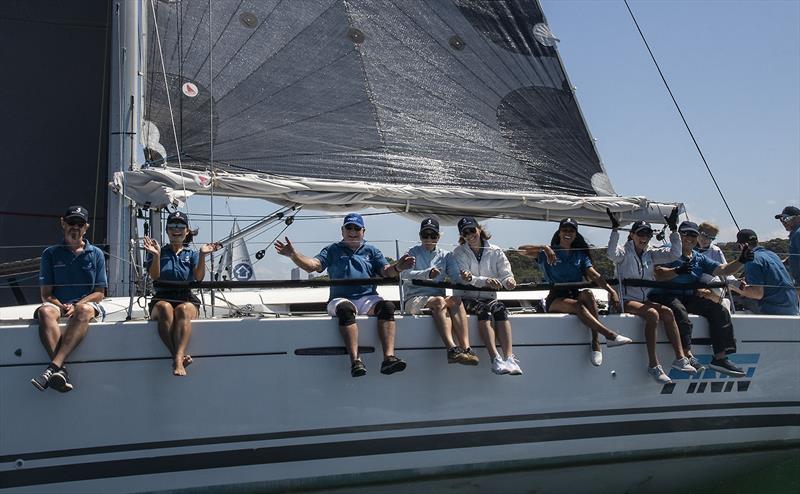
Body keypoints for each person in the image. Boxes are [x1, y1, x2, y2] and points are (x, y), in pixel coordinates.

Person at [275, 213, 415, 377]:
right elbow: (313, 266)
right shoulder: (332, 249)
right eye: (349, 227)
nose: (353, 231)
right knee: (346, 310)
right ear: (342, 230)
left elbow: (386, 271)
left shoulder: (372, 251)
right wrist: (294, 255)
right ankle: (356, 361)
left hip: (367, 298)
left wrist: (398, 267)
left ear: (363, 231)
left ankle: (388, 358)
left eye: (357, 228)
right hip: (340, 298)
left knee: (388, 307)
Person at [520, 218, 631, 367]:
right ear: (559, 233)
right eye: (564, 230)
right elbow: (521, 250)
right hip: (556, 297)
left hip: (574, 292)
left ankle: (595, 343)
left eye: (571, 230)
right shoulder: (547, 253)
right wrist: (544, 248)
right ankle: (609, 335)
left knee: (588, 294)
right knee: (579, 306)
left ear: (575, 234)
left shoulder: (579, 255)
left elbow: (595, 275)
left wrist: (612, 291)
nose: (568, 233)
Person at [606, 209, 697, 383]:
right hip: (625, 301)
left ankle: (680, 359)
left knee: (668, 313)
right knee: (653, 314)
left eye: (647, 234)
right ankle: (654, 365)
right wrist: (615, 230)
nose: (644, 237)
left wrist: (674, 231)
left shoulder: (650, 253)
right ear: (632, 235)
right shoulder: (623, 252)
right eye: (640, 233)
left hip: (642, 300)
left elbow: (674, 254)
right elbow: (611, 254)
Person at [649, 221, 751, 377]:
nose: (689, 238)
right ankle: (686, 356)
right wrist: (677, 270)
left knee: (719, 309)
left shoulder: (698, 257)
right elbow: (658, 273)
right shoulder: (667, 251)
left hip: (688, 295)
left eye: (693, 235)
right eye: (685, 234)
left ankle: (720, 358)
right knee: (679, 311)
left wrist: (740, 261)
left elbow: (721, 269)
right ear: (679, 235)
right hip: (665, 294)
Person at [31, 205, 107, 392]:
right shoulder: (50, 253)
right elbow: (46, 294)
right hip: (59, 304)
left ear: (86, 227)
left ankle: (53, 367)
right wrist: (62, 306)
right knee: (45, 311)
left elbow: (100, 292)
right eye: (71, 222)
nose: (75, 227)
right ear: (63, 224)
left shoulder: (96, 254)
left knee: (83, 310)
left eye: (80, 224)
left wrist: (77, 304)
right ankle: (60, 370)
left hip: (86, 304)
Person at [143, 211, 221, 376]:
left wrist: (202, 255)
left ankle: (176, 358)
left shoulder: (191, 254)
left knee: (183, 310)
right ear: (167, 230)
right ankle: (177, 358)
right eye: (172, 226)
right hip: (162, 296)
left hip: (186, 297)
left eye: (180, 226)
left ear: (187, 231)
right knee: (164, 308)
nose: (176, 229)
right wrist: (156, 256)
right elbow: (155, 276)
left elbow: (198, 278)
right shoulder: (159, 251)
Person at [400, 218, 478, 365]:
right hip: (413, 299)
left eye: (433, 235)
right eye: (425, 235)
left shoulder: (446, 256)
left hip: (436, 301)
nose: (429, 239)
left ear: (439, 237)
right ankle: (451, 350)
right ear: (420, 236)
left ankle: (466, 348)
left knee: (455, 299)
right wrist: (427, 273)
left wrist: (466, 277)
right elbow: (404, 274)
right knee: (439, 300)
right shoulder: (411, 252)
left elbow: (456, 278)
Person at [452, 217, 522, 375]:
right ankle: (495, 358)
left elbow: (505, 273)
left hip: (489, 297)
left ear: (479, 229)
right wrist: (486, 281)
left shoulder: (496, 250)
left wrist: (509, 281)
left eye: (472, 230)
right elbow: (466, 278)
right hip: (466, 298)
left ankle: (509, 358)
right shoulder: (458, 252)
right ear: (461, 236)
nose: (470, 235)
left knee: (500, 309)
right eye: (465, 233)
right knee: (483, 310)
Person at [729, 229, 800, 315]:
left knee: (734, 301)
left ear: (742, 245)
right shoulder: (772, 255)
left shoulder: (751, 259)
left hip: (773, 309)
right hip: (792, 308)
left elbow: (757, 294)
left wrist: (733, 286)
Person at [694, 222, 737, 310]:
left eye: (711, 238)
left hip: (710, 282)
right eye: (705, 236)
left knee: (716, 291)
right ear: (698, 232)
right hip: (692, 281)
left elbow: (725, 270)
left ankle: (723, 305)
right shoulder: (687, 246)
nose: (707, 240)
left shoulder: (715, 250)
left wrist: (736, 283)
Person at [775, 206, 800, 294]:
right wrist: (782, 263)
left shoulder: (798, 234)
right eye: (781, 219)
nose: (783, 222)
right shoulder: (795, 234)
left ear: (798, 218)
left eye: (786, 218)